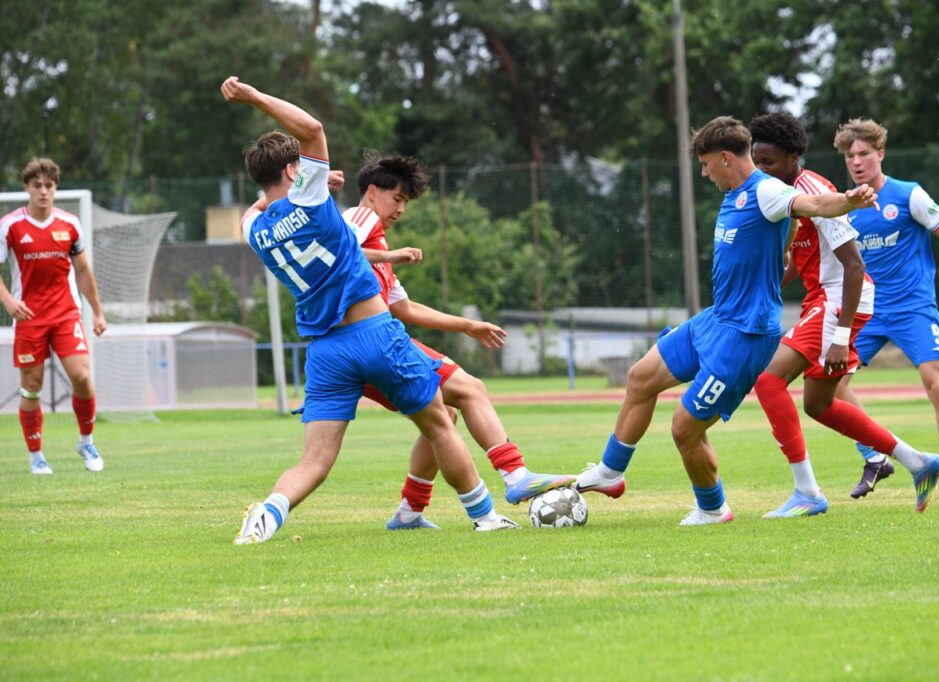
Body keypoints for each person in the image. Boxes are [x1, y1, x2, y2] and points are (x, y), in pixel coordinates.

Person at [220, 76, 517, 543]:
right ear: (296, 172)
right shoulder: (314, 202)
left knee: (314, 463)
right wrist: (255, 98)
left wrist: (299, 176)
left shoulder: (253, 227)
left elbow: (264, 199)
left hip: (324, 352)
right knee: (441, 423)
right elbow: (312, 127)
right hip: (375, 333)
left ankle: (267, 514)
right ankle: (485, 516)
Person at [573, 116, 884, 526]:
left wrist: (850, 200)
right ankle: (611, 472)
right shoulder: (734, 192)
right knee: (640, 376)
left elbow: (815, 205)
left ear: (723, 158)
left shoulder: (768, 190)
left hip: (746, 335)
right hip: (716, 319)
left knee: (685, 427)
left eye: (704, 164)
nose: (702, 173)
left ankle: (712, 508)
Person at [341, 151, 575, 530]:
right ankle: (515, 476)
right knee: (470, 389)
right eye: (397, 199)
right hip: (371, 343)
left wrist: (468, 325)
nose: (401, 209)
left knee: (444, 414)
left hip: (365, 346)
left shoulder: (377, 251)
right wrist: (392, 254)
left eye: (405, 202)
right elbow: (337, 253)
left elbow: (407, 308)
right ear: (371, 192)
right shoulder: (360, 218)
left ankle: (409, 512)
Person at [748, 112, 939, 517]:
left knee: (769, 382)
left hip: (839, 300)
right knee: (819, 405)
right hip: (825, 300)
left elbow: (854, 267)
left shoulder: (817, 193)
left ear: (793, 156)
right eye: (757, 162)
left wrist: (839, 336)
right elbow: (799, 262)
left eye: (768, 163)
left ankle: (807, 493)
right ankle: (919, 462)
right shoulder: (786, 196)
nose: (761, 170)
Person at [832, 118, 939, 500]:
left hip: (913, 308)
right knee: (831, 383)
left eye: (864, 154)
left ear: (880, 154)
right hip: (868, 311)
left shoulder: (908, 195)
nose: (857, 162)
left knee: (937, 384)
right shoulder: (846, 208)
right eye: (850, 156)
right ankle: (875, 456)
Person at [0, 158, 107, 475]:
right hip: (29, 316)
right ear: (27, 188)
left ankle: (86, 440)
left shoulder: (70, 224)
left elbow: (84, 271)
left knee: (83, 377)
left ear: (55, 188)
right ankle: (36, 456)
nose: (43, 192)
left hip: (65, 314)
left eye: (49, 186)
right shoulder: (10, 226)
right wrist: (8, 300)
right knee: (31, 387)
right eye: (37, 186)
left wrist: (98, 313)